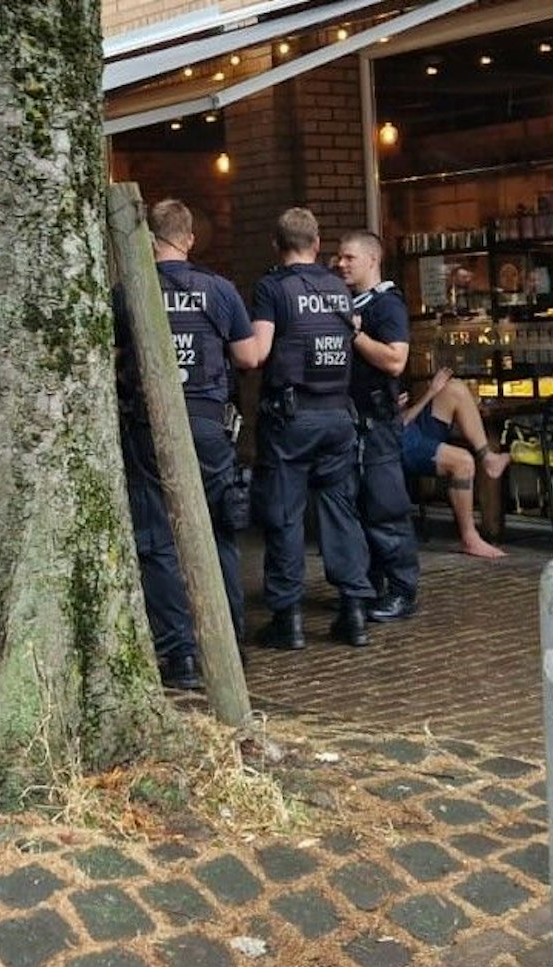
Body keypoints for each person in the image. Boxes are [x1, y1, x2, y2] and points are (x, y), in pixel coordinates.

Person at [112, 200, 255, 689]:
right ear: (189, 238)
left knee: (159, 541)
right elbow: (250, 355)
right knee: (219, 532)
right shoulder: (219, 290)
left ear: (149, 241)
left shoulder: (127, 292)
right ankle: (230, 641)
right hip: (209, 424)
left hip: (149, 427)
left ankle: (181, 656)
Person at [246, 207, 373, 650]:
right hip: (339, 415)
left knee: (284, 514)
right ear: (318, 245)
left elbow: (259, 352)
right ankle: (354, 612)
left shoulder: (272, 288)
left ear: (275, 245)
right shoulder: (339, 288)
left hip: (291, 416)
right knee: (341, 513)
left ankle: (288, 620)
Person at [334, 231, 420, 623]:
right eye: (339, 257)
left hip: (377, 424)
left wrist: (355, 335)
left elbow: (395, 361)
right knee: (361, 508)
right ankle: (373, 586)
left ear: (372, 260)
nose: (341, 263)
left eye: (350, 257)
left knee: (386, 507)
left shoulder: (387, 306)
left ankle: (402, 591)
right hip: (355, 422)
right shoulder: (354, 303)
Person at [400, 368, 510, 559]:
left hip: (410, 428)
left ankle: (488, 457)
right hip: (398, 442)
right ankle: (470, 538)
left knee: (456, 389)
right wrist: (431, 392)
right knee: (463, 461)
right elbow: (397, 424)